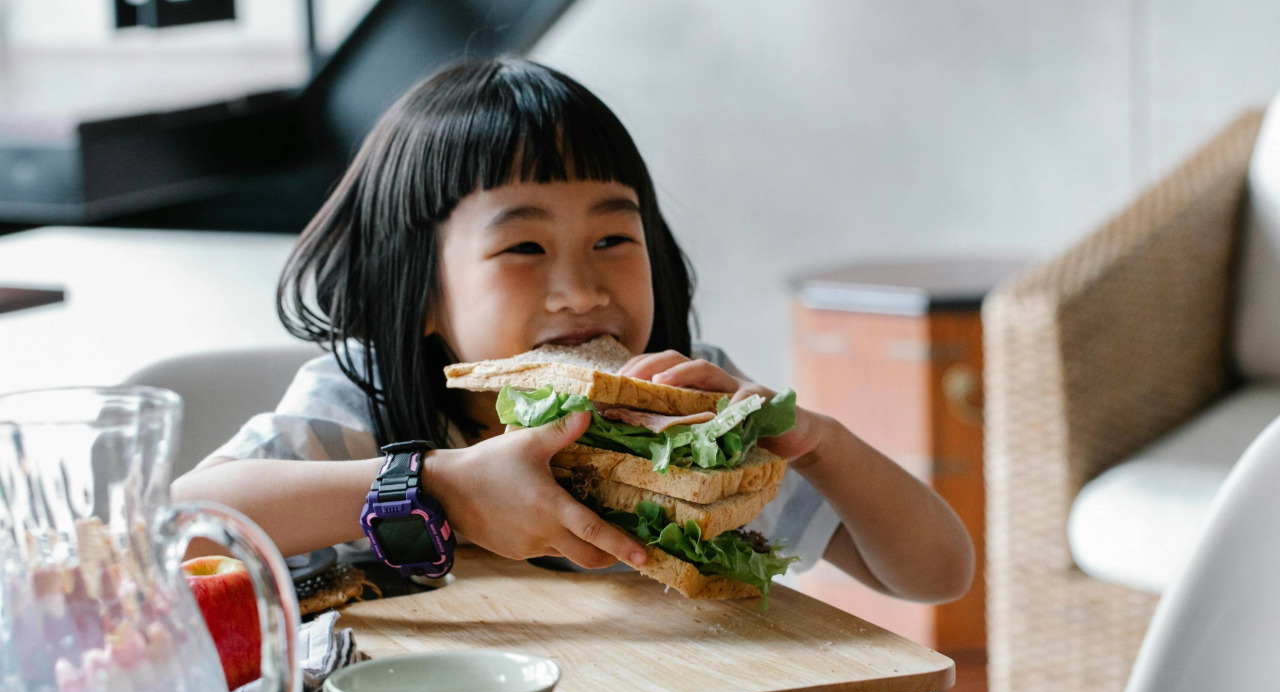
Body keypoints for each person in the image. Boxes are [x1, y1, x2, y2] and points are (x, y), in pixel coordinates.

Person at [172, 57, 973, 603]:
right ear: (419, 291)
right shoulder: (363, 404)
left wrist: (816, 442)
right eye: (524, 247)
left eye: (612, 240)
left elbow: (935, 574)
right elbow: (183, 527)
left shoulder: (687, 409)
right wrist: (439, 483)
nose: (579, 287)